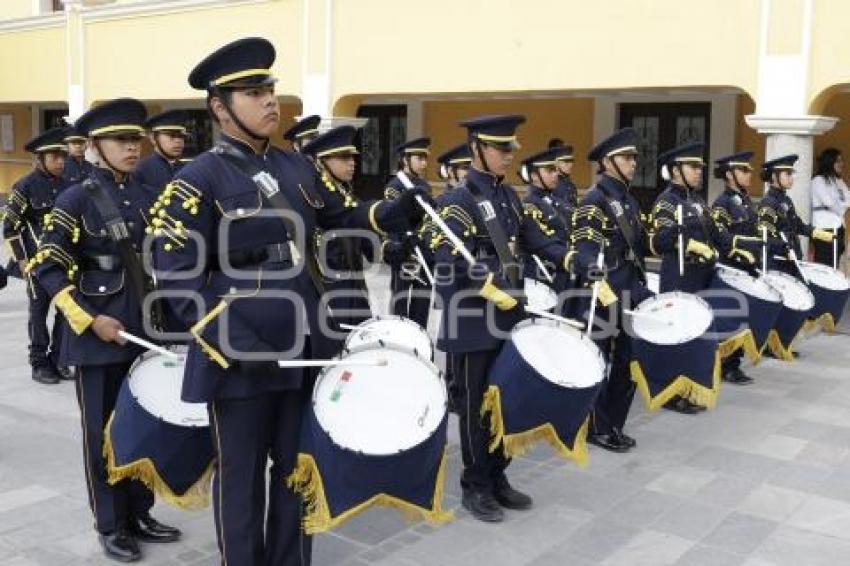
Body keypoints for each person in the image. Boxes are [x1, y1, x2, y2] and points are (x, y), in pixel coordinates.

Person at [150, 37, 426, 565]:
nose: (271, 102)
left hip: (304, 347)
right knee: (241, 480)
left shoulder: (295, 167)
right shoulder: (196, 180)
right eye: (254, 93)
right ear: (219, 106)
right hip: (242, 359)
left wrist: (391, 211)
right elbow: (177, 274)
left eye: (271, 90)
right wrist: (236, 341)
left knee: (299, 470)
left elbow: (339, 218)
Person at [28, 98, 181, 562]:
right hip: (97, 338)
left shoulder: (146, 194)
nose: (132, 148)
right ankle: (111, 524)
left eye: (135, 139)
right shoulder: (76, 198)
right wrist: (90, 319)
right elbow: (46, 269)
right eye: (120, 140)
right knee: (103, 436)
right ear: (96, 145)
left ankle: (140, 511)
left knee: (143, 428)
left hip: (142, 336)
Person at [433, 114, 533, 523]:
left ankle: (497, 475)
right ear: (477, 150)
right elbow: (445, 260)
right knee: (474, 408)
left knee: (504, 400)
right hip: (472, 322)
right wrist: (485, 283)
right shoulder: (456, 201)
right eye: (500, 148)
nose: (508, 156)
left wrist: (569, 258)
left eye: (511, 149)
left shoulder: (509, 196)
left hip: (507, 316)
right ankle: (475, 485)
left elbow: (532, 238)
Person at [573, 127, 652, 452]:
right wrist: (599, 285)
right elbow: (584, 250)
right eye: (626, 157)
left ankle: (614, 423)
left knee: (628, 361)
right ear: (607, 162)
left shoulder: (627, 199)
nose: (633, 163)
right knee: (599, 359)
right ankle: (595, 426)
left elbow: (639, 243)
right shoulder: (595, 200)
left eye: (634, 157)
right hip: (603, 292)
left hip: (629, 286)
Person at [2, 126, 70, 385]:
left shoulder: (68, 186)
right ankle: (39, 363)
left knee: (66, 312)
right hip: (35, 264)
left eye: (62, 156)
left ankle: (59, 360)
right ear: (39, 159)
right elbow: (10, 227)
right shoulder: (24, 186)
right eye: (54, 157)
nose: (60, 161)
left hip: (65, 263)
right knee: (39, 314)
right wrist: (22, 261)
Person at [302, 125, 373, 330]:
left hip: (353, 282)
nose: (352, 163)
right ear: (322, 162)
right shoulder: (318, 196)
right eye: (343, 158)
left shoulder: (344, 193)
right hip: (330, 285)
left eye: (353, 158)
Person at [711, 151, 764, 384]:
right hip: (731, 269)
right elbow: (720, 238)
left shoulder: (745, 201)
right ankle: (727, 365)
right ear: (730, 175)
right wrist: (737, 252)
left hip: (746, 268)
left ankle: (735, 361)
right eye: (744, 171)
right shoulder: (721, 204)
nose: (749, 174)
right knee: (731, 316)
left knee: (744, 316)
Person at [758, 154, 835, 274]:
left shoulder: (786, 200)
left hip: (792, 259)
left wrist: (820, 233)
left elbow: (798, 226)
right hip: (778, 262)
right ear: (774, 176)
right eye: (787, 174)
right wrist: (786, 249)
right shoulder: (768, 203)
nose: (791, 178)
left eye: (792, 174)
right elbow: (766, 237)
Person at [384, 137, 432, 326]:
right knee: (400, 304)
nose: (424, 163)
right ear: (405, 160)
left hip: (424, 252)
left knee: (422, 304)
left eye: (425, 158)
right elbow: (394, 221)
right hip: (404, 251)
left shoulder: (425, 186)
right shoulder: (394, 187)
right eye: (419, 158)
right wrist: (403, 248)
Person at [518, 147, 573, 303]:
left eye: (556, 170)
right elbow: (541, 242)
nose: (556, 174)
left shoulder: (559, 202)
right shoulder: (529, 206)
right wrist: (572, 258)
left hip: (563, 274)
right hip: (542, 278)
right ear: (534, 176)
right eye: (549, 170)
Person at [811, 148, 850, 266]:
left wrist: (839, 206)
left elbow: (848, 200)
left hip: (838, 226)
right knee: (824, 263)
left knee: (835, 262)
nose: (841, 164)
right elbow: (828, 202)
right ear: (829, 162)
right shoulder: (818, 181)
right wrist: (840, 206)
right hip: (824, 227)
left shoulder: (839, 181)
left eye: (841, 161)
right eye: (838, 161)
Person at [135, 109, 190, 190]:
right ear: (153, 138)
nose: (178, 141)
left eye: (181, 136)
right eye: (171, 136)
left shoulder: (188, 169)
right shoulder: (141, 171)